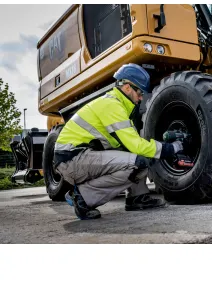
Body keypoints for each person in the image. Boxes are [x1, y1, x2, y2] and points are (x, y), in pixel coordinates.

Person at [54, 63, 183, 220]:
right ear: (127, 88)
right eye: (140, 93)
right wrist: (170, 149)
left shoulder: (118, 105)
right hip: (73, 159)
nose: (141, 98)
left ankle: (137, 197)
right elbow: (136, 146)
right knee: (137, 162)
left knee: (137, 156)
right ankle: (81, 197)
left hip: (79, 156)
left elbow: (132, 144)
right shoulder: (112, 105)